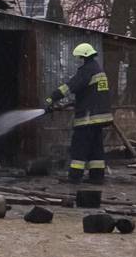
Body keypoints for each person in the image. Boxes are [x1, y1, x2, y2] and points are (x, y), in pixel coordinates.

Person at [45, 42, 113, 184]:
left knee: (79, 148)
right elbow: (92, 94)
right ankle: (97, 177)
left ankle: (74, 177)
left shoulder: (86, 71)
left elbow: (70, 87)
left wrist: (52, 97)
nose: (78, 61)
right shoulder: (98, 69)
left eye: (79, 58)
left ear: (84, 57)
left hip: (88, 118)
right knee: (96, 149)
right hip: (99, 118)